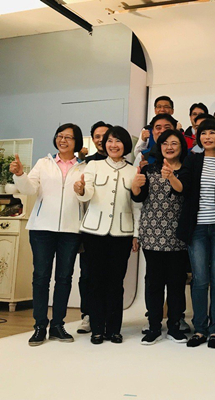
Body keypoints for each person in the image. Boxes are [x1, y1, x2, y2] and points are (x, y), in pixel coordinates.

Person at [11, 123, 86, 346]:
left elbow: (87, 197)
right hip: (42, 229)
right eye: (60, 136)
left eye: (68, 137)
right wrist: (20, 175)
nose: (63, 140)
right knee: (41, 277)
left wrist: (82, 192)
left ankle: (57, 325)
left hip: (71, 231)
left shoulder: (84, 167)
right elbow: (29, 189)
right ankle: (39, 326)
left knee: (64, 278)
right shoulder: (43, 163)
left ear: (77, 141)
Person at [74, 126, 140, 345]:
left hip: (122, 233)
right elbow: (87, 194)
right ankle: (97, 329)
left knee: (116, 282)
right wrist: (81, 190)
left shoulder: (133, 171)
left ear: (125, 145)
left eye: (118, 141)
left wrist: (136, 234)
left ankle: (114, 329)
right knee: (95, 281)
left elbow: (136, 206)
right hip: (94, 232)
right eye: (110, 141)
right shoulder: (94, 165)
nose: (113, 145)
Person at [172, 119, 215, 349]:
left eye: (212, 133)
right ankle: (199, 329)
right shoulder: (193, 159)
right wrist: (171, 177)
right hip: (197, 227)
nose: (207, 137)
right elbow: (183, 188)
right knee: (199, 279)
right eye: (203, 133)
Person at [131, 129, 190, 345]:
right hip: (152, 233)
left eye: (174, 143)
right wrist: (135, 187)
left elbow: (182, 191)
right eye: (165, 143)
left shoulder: (187, 170)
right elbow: (139, 198)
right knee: (154, 282)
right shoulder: (149, 169)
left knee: (176, 282)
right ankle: (154, 326)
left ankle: (174, 326)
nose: (169, 147)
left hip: (178, 235)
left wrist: (171, 176)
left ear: (181, 147)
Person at [77, 121, 112, 335]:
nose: (101, 140)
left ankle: (106, 316)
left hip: (112, 230)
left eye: (105, 136)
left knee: (108, 276)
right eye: (97, 136)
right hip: (89, 228)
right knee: (87, 274)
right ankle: (87, 314)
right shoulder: (86, 164)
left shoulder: (120, 162)